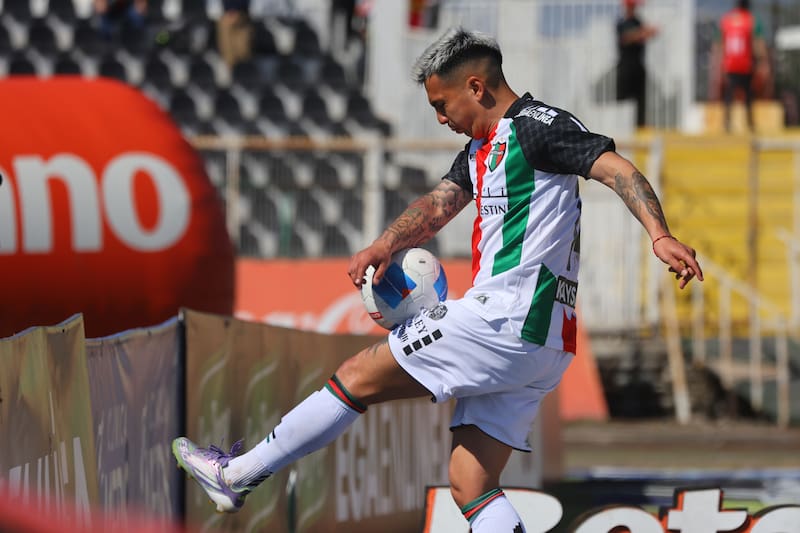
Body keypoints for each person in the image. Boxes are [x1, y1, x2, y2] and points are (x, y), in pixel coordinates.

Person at [172, 27, 703, 532]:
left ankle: (237, 475)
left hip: (506, 318)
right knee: (471, 483)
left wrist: (659, 235)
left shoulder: (538, 126)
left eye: (442, 105)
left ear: (476, 87)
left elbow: (618, 170)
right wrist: (387, 243)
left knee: (357, 375)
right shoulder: (480, 148)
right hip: (543, 341)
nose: (441, 118)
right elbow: (440, 203)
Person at [712, 0, 769, 133]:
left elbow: (718, 45)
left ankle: (727, 123)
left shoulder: (726, 20)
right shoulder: (751, 20)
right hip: (745, 63)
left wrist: (718, 65)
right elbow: (757, 44)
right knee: (748, 94)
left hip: (730, 64)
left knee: (729, 94)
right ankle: (750, 123)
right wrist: (763, 62)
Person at [615, 0, 658, 128]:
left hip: (638, 65)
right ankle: (622, 125)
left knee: (640, 99)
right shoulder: (622, 23)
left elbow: (645, 34)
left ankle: (640, 125)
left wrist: (645, 33)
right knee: (622, 99)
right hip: (625, 66)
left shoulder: (638, 22)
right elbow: (626, 38)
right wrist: (642, 33)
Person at [217, 0, 252, 69]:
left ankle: (243, 69)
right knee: (230, 55)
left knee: (243, 52)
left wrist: (236, 10)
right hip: (228, 14)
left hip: (241, 14)